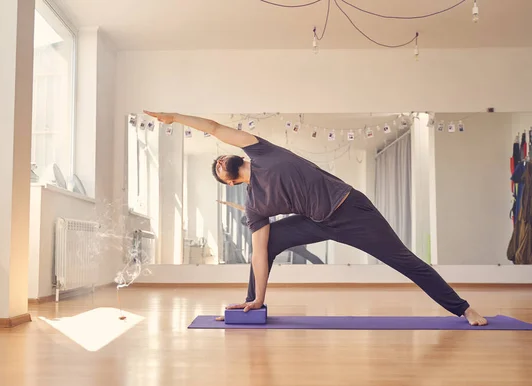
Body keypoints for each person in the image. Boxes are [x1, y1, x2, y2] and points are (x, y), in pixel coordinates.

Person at [145, 111, 488, 326]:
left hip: (351, 209)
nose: (220, 162)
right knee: (268, 244)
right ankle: (253, 305)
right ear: (231, 182)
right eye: (218, 170)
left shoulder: (259, 150)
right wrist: (260, 295)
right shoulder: (255, 205)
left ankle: (463, 309)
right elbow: (259, 253)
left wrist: (176, 118)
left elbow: (215, 127)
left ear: (234, 158)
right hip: (318, 220)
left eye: (220, 159)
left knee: (405, 261)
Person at [217, 200, 324, 264]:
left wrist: (227, 203)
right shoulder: (258, 223)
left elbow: (242, 208)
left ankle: (321, 266)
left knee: (306, 254)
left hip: (286, 237)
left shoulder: (260, 214)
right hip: (280, 238)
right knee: (263, 257)